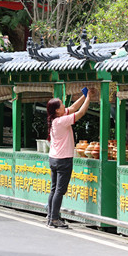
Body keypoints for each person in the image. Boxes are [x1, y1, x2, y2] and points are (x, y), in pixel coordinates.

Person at [45, 88, 92, 229]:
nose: (64, 106)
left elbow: (73, 108)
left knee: (54, 189)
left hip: (54, 158)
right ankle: (54, 219)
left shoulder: (55, 119)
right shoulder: (61, 121)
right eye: (61, 104)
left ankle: (51, 215)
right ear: (57, 110)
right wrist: (89, 98)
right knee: (59, 190)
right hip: (63, 160)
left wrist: (84, 95)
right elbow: (80, 113)